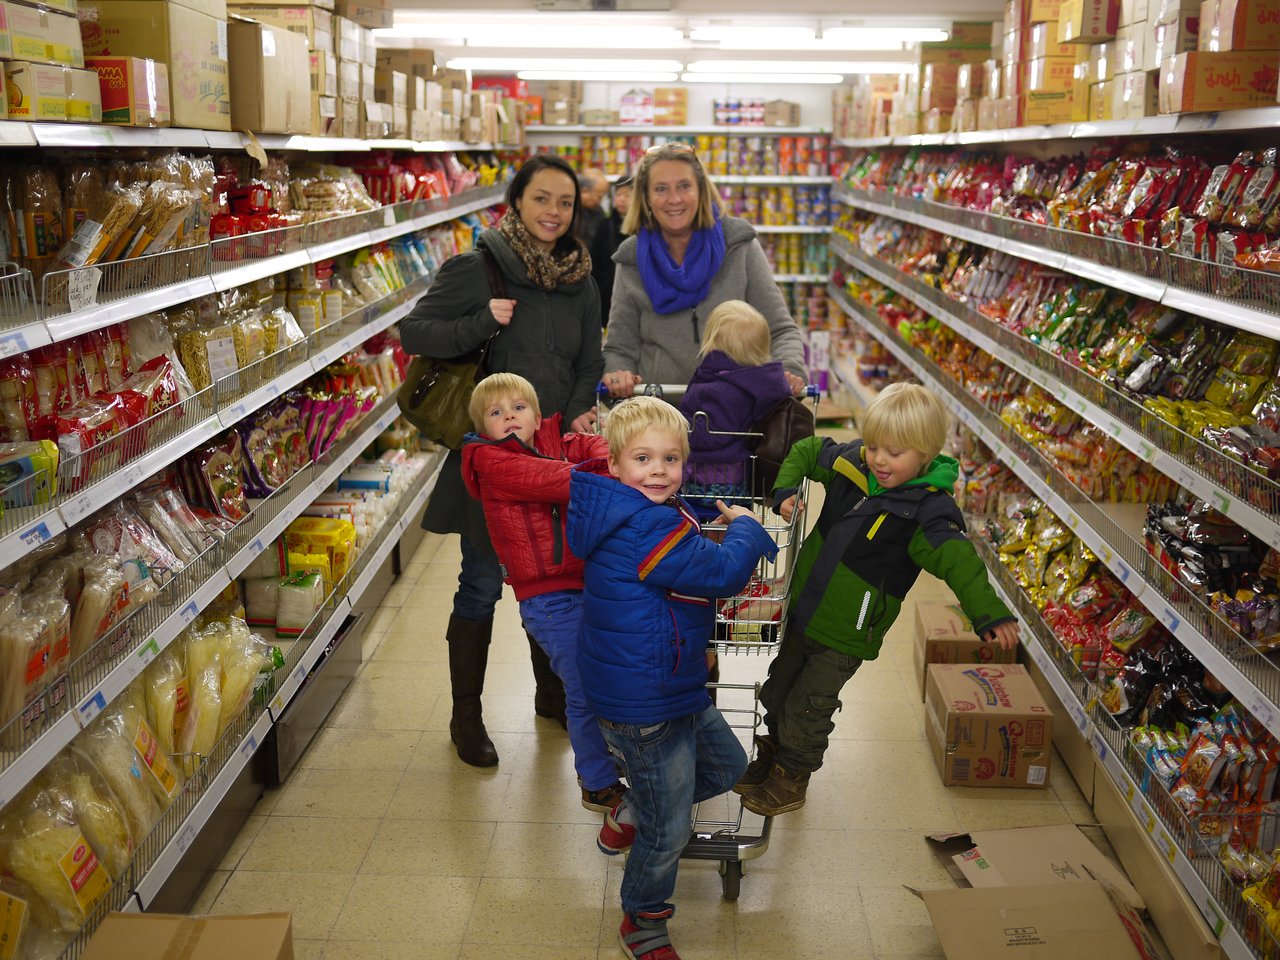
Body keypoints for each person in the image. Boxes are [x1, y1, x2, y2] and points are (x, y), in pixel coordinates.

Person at [399, 154, 604, 768]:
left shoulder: (581, 280)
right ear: (517, 201)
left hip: (549, 462)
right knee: (483, 582)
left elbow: (587, 361)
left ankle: (551, 692)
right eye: (541, 199)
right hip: (490, 464)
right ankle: (467, 717)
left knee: (555, 577)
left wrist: (571, 419)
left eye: (564, 202)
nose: (553, 213)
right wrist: (478, 322)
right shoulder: (479, 267)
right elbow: (415, 334)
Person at [735, 382, 1021, 817]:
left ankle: (792, 776)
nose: (879, 460)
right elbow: (809, 450)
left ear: (925, 454)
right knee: (778, 690)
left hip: (848, 631)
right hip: (806, 609)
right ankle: (771, 757)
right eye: (873, 446)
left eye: (895, 452)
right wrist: (785, 491)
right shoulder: (854, 464)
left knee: (809, 706)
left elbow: (959, 560)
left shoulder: (928, 511)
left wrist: (988, 612)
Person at [567, 396, 777, 960]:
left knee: (729, 765)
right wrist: (750, 531)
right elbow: (722, 572)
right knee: (670, 830)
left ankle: (631, 810)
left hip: (666, 678)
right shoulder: (643, 531)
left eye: (671, 458)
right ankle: (643, 920)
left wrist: (714, 513)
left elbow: (680, 518)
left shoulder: (633, 509)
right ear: (613, 464)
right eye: (643, 459)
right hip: (645, 701)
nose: (659, 470)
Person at [460, 372, 626, 811]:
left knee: (611, 671)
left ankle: (615, 752)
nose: (510, 416)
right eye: (496, 412)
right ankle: (596, 780)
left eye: (519, 407)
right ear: (482, 429)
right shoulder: (489, 460)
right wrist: (608, 472)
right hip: (547, 597)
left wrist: (607, 457)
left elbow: (601, 450)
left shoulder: (562, 441)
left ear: (536, 415)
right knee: (583, 683)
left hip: (593, 583)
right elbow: (559, 480)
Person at [602, 143, 807, 399]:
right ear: (646, 198)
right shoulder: (631, 259)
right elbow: (620, 347)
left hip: (740, 415)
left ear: (701, 191)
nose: (674, 199)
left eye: (684, 186)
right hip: (661, 419)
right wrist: (618, 372)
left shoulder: (738, 245)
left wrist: (790, 369)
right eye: (661, 189)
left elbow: (780, 330)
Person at [678, 299, 794, 516]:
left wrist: (680, 425)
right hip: (740, 480)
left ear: (712, 342)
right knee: (735, 522)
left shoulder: (719, 390)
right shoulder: (759, 383)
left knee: (704, 528)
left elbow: (709, 437)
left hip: (708, 482)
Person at [588, 175, 632, 328]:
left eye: (627, 195)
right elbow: (595, 265)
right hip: (606, 302)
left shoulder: (646, 229)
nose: (621, 199)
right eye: (618, 194)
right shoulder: (605, 225)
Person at [576, 167, 610, 250]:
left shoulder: (598, 211)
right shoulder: (568, 210)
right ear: (585, 191)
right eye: (599, 197)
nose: (600, 201)